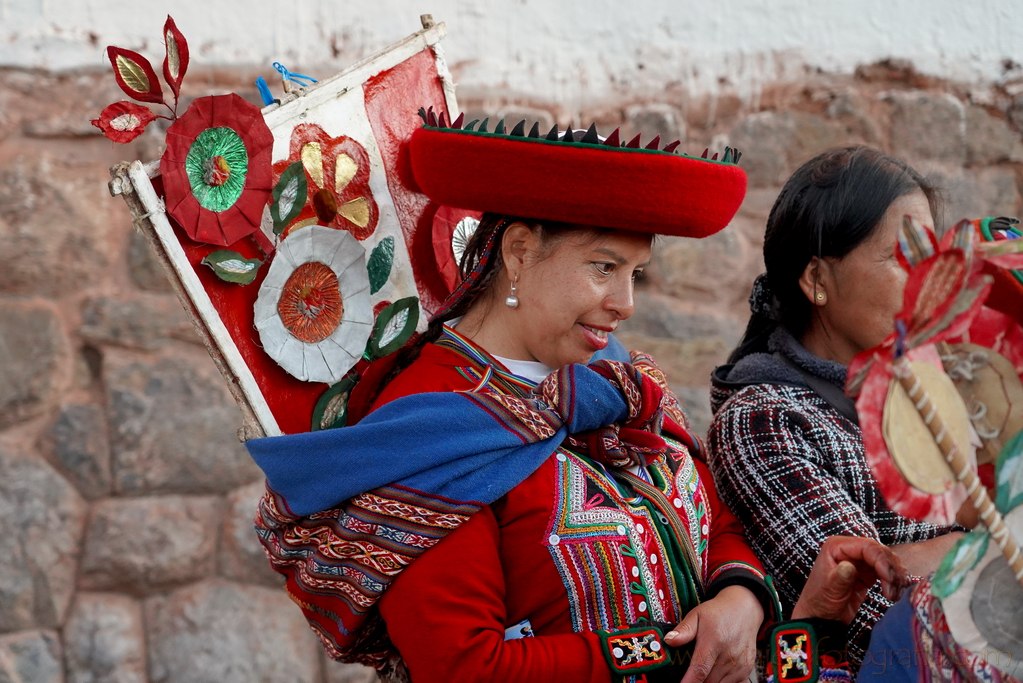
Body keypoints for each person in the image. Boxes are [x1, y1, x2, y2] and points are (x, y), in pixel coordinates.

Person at [246, 121, 905, 683]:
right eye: (602, 266)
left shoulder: (616, 379)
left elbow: (714, 522)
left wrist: (745, 599)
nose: (626, 302)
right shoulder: (429, 432)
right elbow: (464, 666)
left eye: (634, 273)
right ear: (519, 251)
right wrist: (670, 651)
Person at [706, 145, 965, 670]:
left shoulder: (927, 394)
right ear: (818, 281)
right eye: (901, 258)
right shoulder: (765, 421)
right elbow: (877, 611)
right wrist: (972, 538)